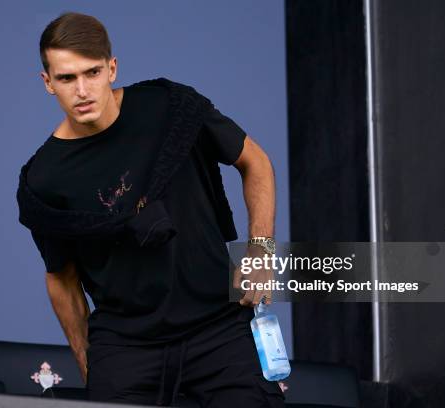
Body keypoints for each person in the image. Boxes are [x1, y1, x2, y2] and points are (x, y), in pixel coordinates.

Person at [16, 11, 284, 407]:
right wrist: (89, 363)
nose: (83, 90)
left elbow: (255, 162)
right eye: (67, 78)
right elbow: (61, 278)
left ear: (112, 68)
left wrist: (261, 250)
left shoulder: (171, 108)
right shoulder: (44, 177)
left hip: (218, 326)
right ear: (47, 83)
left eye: (92, 73)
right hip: (127, 345)